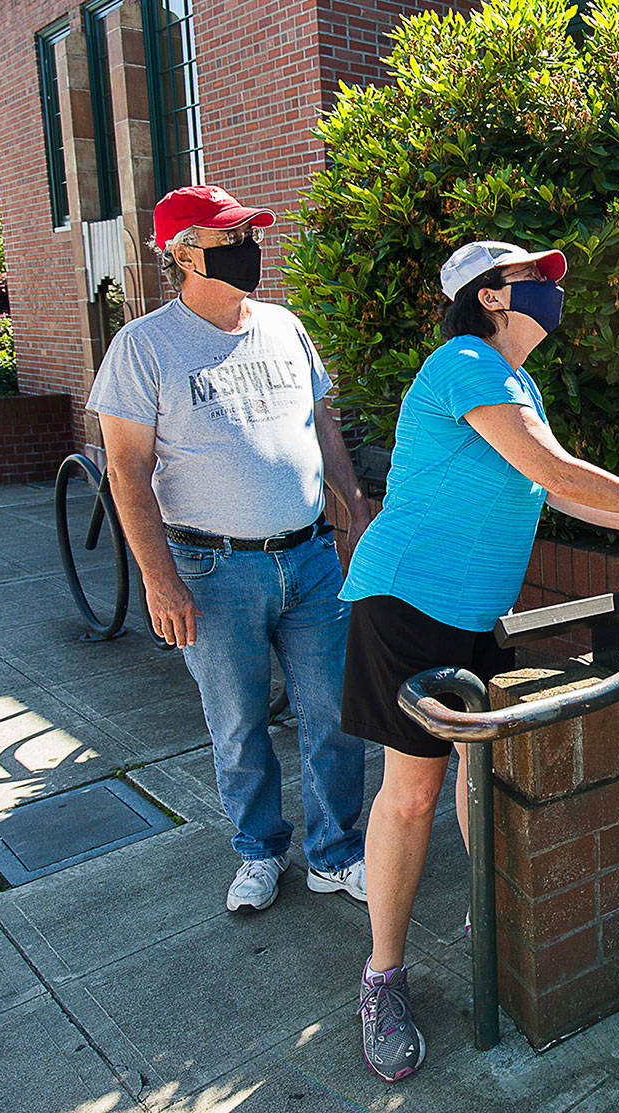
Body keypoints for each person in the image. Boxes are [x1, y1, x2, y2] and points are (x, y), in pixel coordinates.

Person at [339, 239, 619, 1083]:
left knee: (477, 774)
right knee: (413, 793)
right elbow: (551, 465)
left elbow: (544, 486)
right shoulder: (465, 361)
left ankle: (493, 923)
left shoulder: (515, 381)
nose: (553, 290)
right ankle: (382, 979)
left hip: (475, 613)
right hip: (407, 604)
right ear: (487, 297)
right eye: (535, 280)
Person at [90, 184, 372, 912]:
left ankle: (335, 854)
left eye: (249, 233)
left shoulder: (284, 326)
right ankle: (258, 850)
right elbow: (126, 469)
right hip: (212, 570)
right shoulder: (144, 347)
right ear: (181, 254)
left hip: (311, 558)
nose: (249, 248)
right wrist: (159, 580)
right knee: (238, 724)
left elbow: (321, 423)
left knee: (335, 715)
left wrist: (355, 509)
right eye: (228, 238)